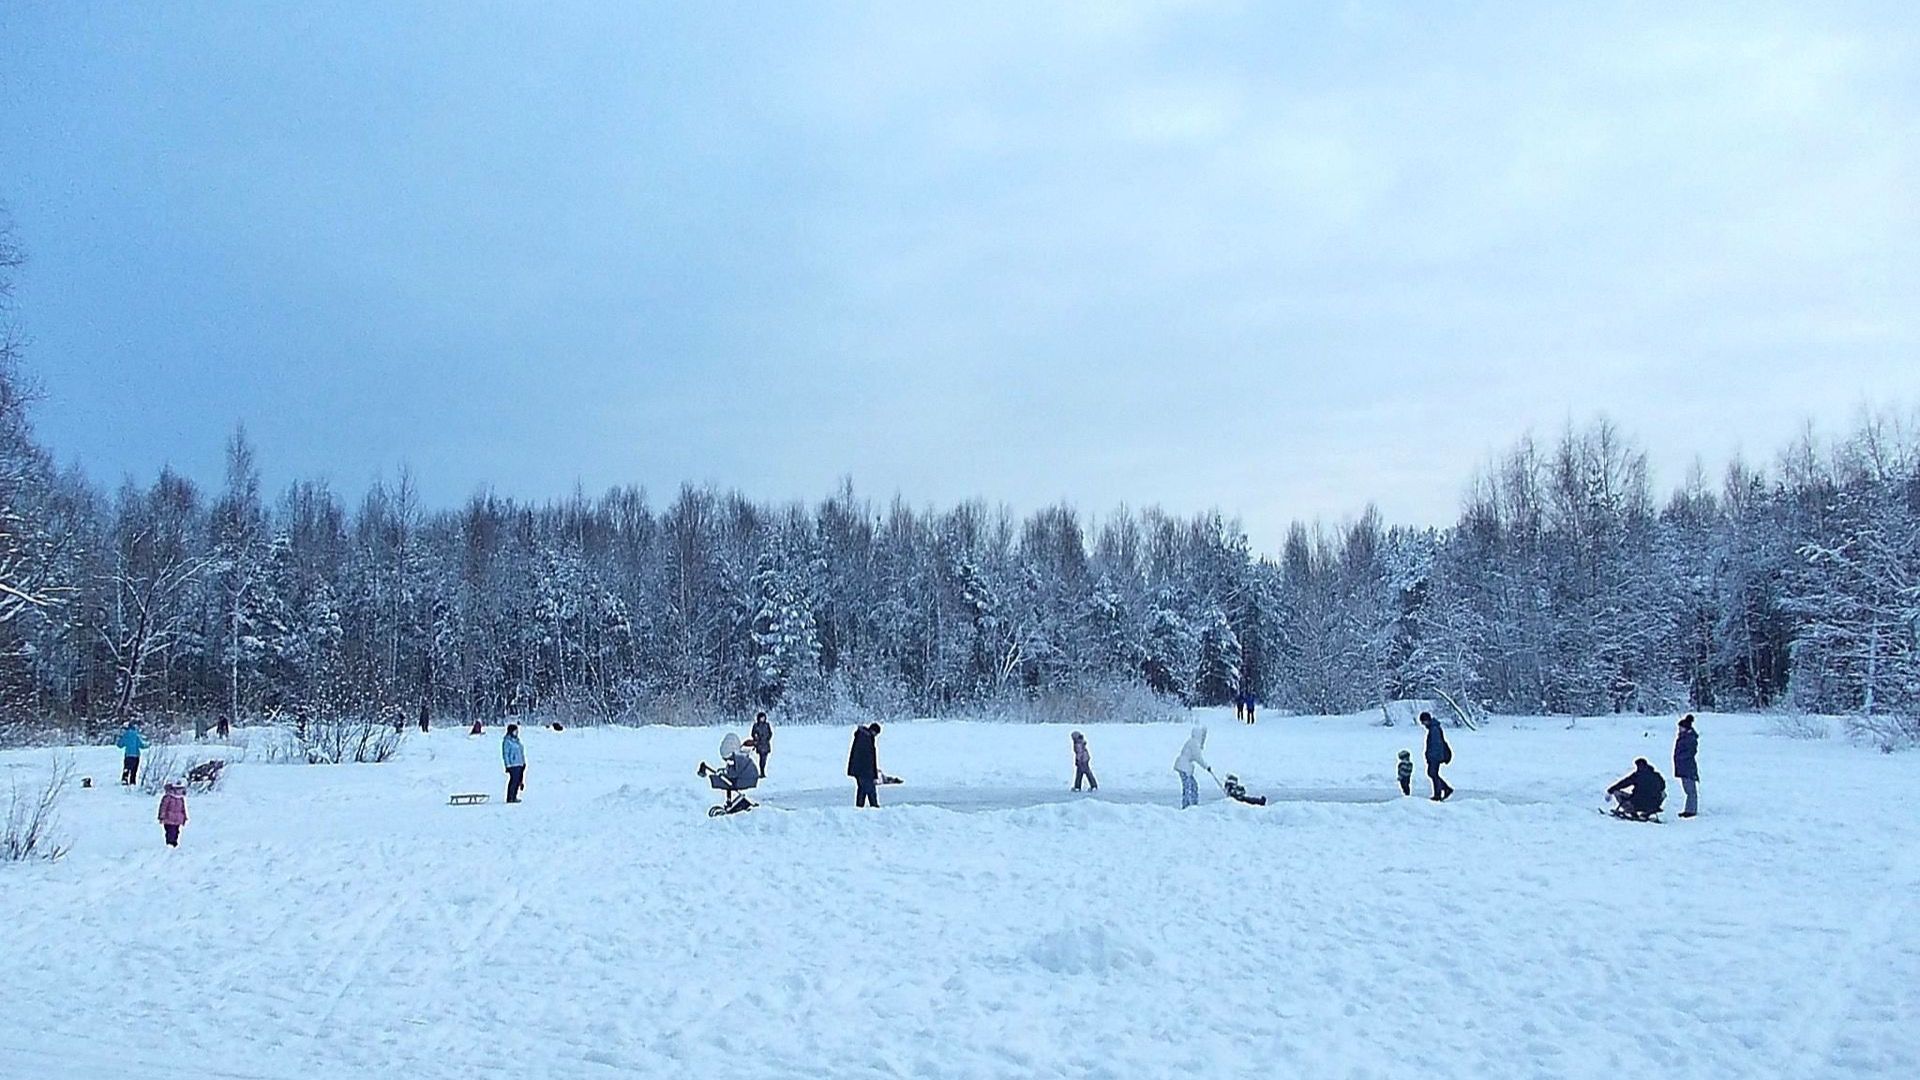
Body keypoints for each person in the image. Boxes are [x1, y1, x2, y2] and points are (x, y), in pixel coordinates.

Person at [699, 733, 761, 813]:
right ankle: (731, 803)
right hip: (743, 775)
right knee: (727, 782)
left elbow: (732, 773)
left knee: (727, 782)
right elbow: (732, 770)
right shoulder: (738, 760)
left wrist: (725, 773)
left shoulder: (740, 760)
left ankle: (734, 804)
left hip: (745, 778)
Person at [1173, 725, 1211, 809]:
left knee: (1193, 785)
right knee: (1188, 786)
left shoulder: (1192, 742)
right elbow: (1198, 758)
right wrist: (1207, 767)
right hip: (1183, 767)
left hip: (1184, 767)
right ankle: (1187, 805)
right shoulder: (1194, 743)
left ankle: (1192, 803)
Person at [847, 722, 882, 808]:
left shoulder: (865, 737)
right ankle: (873, 806)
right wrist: (872, 773)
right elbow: (867, 758)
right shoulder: (865, 738)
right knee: (869, 789)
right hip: (863, 770)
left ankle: (860, 807)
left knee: (862, 789)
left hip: (860, 770)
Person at [1421, 712, 1454, 801]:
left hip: (1435, 756)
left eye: (1423, 722)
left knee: (1432, 773)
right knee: (1433, 773)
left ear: (1426, 720)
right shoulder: (1433, 728)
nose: (1423, 725)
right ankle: (1442, 790)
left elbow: (1436, 745)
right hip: (1434, 756)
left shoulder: (1434, 729)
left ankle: (1441, 792)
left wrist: (1432, 757)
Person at [1673, 715, 1699, 818]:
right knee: (1688, 789)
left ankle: (1691, 810)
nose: (1679, 729)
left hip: (1687, 767)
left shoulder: (1690, 738)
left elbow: (1691, 752)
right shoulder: (1684, 737)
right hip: (1683, 767)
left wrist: (1681, 758)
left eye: (1681, 728)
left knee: (1690, 790)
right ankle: (1689, 809)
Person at [157, 781, 189, 847]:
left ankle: (174, 842)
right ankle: (170, 843)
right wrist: (162, 816)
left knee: (176, 831)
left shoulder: (181, 798)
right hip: (168, 818)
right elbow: (163, 807)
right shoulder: (168, 797)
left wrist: (185, 817)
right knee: (170, 831)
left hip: (178, 819)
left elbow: (183, 808)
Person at [117, 721, 148, 786]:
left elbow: (120, 745)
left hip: (128, 755)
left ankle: (125, 780)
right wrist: (148, 745)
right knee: (134, 770)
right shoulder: (136, 735)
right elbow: (141, 745)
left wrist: (119, 739)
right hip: (136, 756)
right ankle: (132, 782)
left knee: (127, 768)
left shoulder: (126, 735)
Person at [502, 724, 526, 804]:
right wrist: (507, 765)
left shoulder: (517, 741)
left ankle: (514, 796)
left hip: (519, 764)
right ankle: (510, 797)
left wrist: (523, 762)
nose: (516, 733)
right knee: (513, 781)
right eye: (515, 731)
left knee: (518, 781)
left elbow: (521, 752)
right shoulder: (507, 741)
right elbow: (506, 754)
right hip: (513, 765)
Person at [749, 711, 773, 778]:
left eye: (763, 718)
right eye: (761, 718)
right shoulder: (756, 725)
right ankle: (762, 771)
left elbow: (770, 733)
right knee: (761, 759)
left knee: (764, 759)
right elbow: (753, 733)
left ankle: (763, 771)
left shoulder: (767, 725)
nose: (762, 719)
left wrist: (767, 738)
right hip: (759, 745)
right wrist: (756, 737)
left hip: (766, 744)